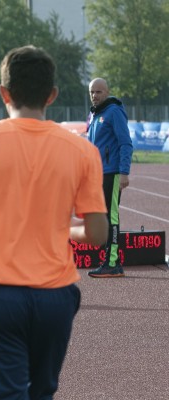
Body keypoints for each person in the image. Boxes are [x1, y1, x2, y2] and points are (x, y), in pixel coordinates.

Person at [0, 45, 108, 399]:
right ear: (52, 95)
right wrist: (60, 228)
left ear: (4, 93)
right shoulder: (83, 150)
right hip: (55, 296)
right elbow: (98, 233)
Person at [86, 77, 133, 278]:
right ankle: (109, 260)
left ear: (107, 92)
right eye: (92, 92)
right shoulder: (94, 114)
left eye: (99, 92)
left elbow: (125, 143)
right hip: (98, 174)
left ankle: (112, 263)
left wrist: (124, 172)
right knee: (102, 216)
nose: (95, 95)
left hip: (112, 173)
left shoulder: (114, 112)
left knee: (111, 216)